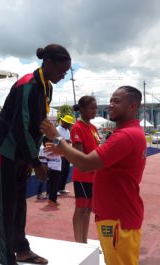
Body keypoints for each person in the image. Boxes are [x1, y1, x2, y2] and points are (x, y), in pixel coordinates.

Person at [40, 86, 146, 265]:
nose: (110, 105)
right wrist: (65, 151)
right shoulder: (127, 133)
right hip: (115, 214)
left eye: (117, 101)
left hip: (117, 218)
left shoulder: (125, 135)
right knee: (82, 210)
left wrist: (56, 137)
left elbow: (86, 162)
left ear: (133, 106)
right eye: (111, 100)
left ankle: (80, 244)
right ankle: (80, 244)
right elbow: (94, 156)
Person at [0, 44, 71, 265]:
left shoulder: (47, 87)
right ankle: (7, 260)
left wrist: (33, 155)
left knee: (19, 202)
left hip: (22, 153)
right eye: (62, 71)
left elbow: (39, 125)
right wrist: (35, 162)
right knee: (7, 207)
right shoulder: (28, 84)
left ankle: (22, 249)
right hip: (4, 151)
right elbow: (20, 127)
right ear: (49, 63)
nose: (64, 76)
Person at [70, 96, 100, 243]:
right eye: (92, 108)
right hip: (82, 175)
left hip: (94, 175)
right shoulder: (77, 127)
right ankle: (78, 242)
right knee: (81, 208)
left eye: (96, 107)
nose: (95, 110)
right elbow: (79, 154)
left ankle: (84, 241)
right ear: (82, 110)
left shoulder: (93, 128)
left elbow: (98, 150)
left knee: (88, 210)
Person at [56, 114, 74, 195]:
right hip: (59, 153)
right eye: (68, 123)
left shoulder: (67, 131)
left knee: (66, 171)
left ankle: (62, 188)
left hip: (67, 154)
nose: (69, 125)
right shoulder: (57, 129)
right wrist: (65, 141)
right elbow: (54, 140)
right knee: (60, 171)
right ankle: (56, 189)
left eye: (69, 123)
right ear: (63, 122)